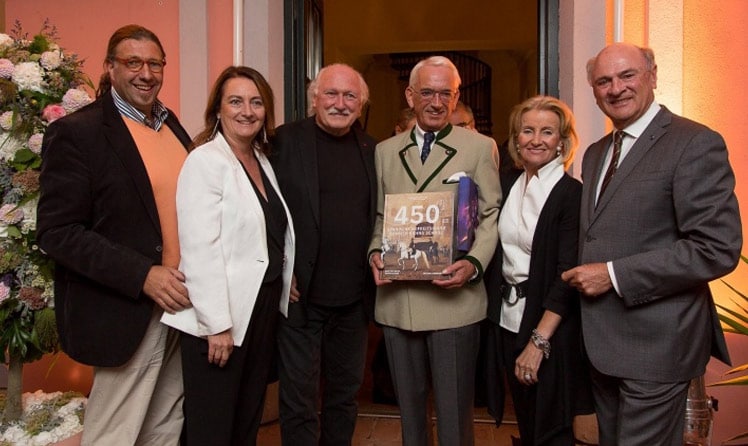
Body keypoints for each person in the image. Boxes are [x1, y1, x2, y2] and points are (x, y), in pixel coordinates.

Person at [561, 43, 741, 446]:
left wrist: (612, 274)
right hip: (600, 344)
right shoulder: (595, 153)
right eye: (603, 81)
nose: (616, 88)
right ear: (593, 90)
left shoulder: (694, 142)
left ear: (653, 76)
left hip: (658, 342)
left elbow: (716, 247)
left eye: (628, 76)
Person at [37, 25, 192, 445]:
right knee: (115, 434)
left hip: (182, 305)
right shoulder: (78, 132)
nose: (146, 73)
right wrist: (143, 274)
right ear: (109, 67)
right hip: (129, 306)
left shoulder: (170, 124)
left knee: (165, 425)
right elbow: (58, 232)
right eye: (133, 62)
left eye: (154, 63)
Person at [368, 55, 501, 446]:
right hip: (398, 299)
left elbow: (492, 213)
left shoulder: (479, 147)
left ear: (457, 96)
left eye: (446, 93)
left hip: (454, 300)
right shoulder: (385, 151)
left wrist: (474, 264)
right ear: (410, 96)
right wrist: (376, 253)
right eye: (427, 92)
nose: (437, 102)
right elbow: (381, 215)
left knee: (455, 415)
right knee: (409, 414)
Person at [161, 66, 295, 445]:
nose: (246, 111)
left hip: (261, 308)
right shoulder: (205, 161)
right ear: (218, 110)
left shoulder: (260, 160)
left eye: (256, 102)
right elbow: (200, 249)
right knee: (213, 427)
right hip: (220, 317)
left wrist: (287, 273)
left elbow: (268, 233)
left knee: (246, 420)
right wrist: (217, 324)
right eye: (235, 101)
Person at [271, 63, 377, 446]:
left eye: (350, 96)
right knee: (298, 399)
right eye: (331, 94)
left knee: (344, 396)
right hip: (302, 297)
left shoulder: (372, 149)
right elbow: (263, 210)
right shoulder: (283, 141)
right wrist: (283, 266)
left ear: (361, 103)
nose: (340, 103)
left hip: (353, 300)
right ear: (314, 98)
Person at [484, 95, 592, 445]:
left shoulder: (569, 194)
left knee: (551, 428)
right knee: (528, 422)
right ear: (515, 139)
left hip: (549, 328)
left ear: (562, 140)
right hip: (507, 321)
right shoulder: (509, 184)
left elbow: (566, 275)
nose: (536, 139)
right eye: (527, 131)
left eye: (547, 132)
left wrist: (538, 342)